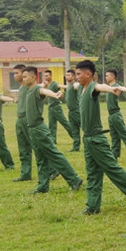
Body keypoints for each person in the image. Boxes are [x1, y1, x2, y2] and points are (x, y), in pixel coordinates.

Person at [73, 61, 126, 215]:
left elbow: (100, 87)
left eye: (79, 74)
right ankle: (92, 206)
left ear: (88, 74)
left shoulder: (93, 87)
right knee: (92, 173)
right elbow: (72, 86)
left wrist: (112, 89)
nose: (76, 77)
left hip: (96, 139)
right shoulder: (81, 88)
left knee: (113, 170)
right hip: (87, 139)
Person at [22, 66, 83, 194]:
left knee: (54, 154)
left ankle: (74, 179)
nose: (23, 79)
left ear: (33, 77)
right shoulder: (29, 90)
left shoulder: (37, 89)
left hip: (39, 129)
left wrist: (55, 94)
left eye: (25, 76)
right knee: (40, 158)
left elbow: (44, 91)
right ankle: (43, 185)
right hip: (32, 129)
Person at [103, 69, 126, 162]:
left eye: (107, 75)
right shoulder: (109, 88)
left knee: (124, 134)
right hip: (111, 116)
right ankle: (114, 155)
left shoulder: (116, 87)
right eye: (105, 75)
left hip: (116, 115)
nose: (106, 77)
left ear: (113, 77)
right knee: (114, 136)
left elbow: (121, 88)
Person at [42, 70, 79, 151]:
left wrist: (70, 86)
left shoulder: (54, 84)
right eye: (45, 76)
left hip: (56, 107)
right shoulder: (47, 85)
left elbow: (61, 86)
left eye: (47, 75)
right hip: (50, 107)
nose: (46, 77)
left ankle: (75, 137)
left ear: (51, 76)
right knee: (52, 125)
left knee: (65, 123)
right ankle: (53, 141)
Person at [11, 64, 33, 182]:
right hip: (19, 119)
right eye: (14, 73)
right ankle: (25, 173)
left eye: (17, 73)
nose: (15, 75)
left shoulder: (28, 86)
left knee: (37, 145)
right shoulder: (21, 88)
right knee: (23, 148)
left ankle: (52, 169)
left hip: (27, 119)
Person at [60, 69, 82, 152]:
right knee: (74, 130)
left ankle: (93, 144)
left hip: (76, 111)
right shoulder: (68, 86)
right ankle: (76, 147)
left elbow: (78, 85)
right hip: (71, 112)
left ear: (73, 77)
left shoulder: (74, 85)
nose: (66, 77)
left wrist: (78, 83)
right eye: (66, 75)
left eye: (68, 75)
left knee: (85, 128)